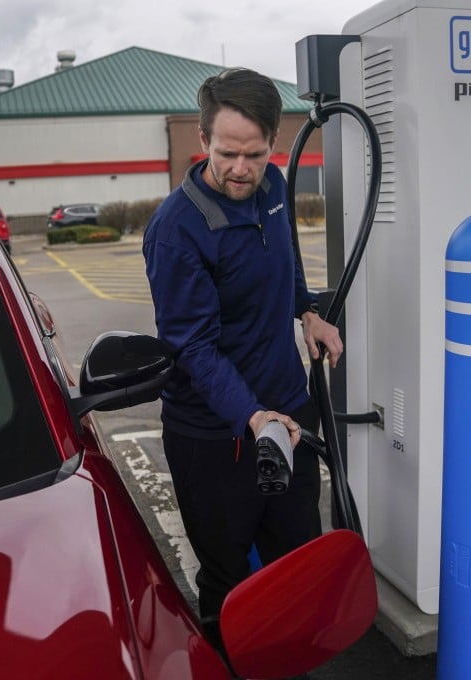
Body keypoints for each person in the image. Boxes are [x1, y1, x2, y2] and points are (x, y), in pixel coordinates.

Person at [142, 67, 343, 658]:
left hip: (288, 412)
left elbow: (287, 256)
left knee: (297, 556)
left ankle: (290, 665)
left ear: (271, 148)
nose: (241, 169)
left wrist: (308, 311)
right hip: (215, 435)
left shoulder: (274, 187)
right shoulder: (176, 232)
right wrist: (252, 418)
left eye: (255, 154)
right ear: (203, 142)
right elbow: (193, 348)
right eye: (228, 153)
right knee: (229, 575)